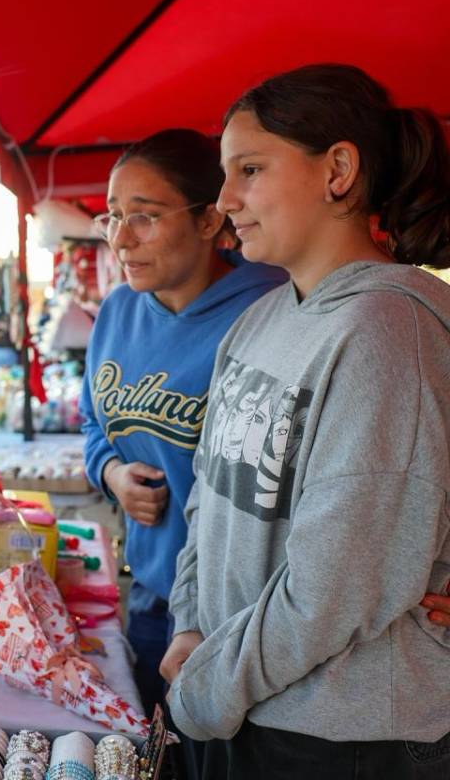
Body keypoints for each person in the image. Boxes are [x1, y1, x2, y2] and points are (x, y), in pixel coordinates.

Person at [164, 64, 450, 778]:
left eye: (250, 169)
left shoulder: (387, 330)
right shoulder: (258, 319)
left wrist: (203, 690)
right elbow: (207, 493)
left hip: (341, 735)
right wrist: (191, 623)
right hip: (240, 699)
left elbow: (335, 590)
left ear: (338, 171)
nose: (225, 199)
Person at [78, 129, 288, 778]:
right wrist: (112, 472)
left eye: (144, 215)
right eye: (113, 216)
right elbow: (92, 423)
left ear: (208, 220)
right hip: (151, 594)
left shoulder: (270, 309)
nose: (121, 238)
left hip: (247, 614)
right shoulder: (117, 312)